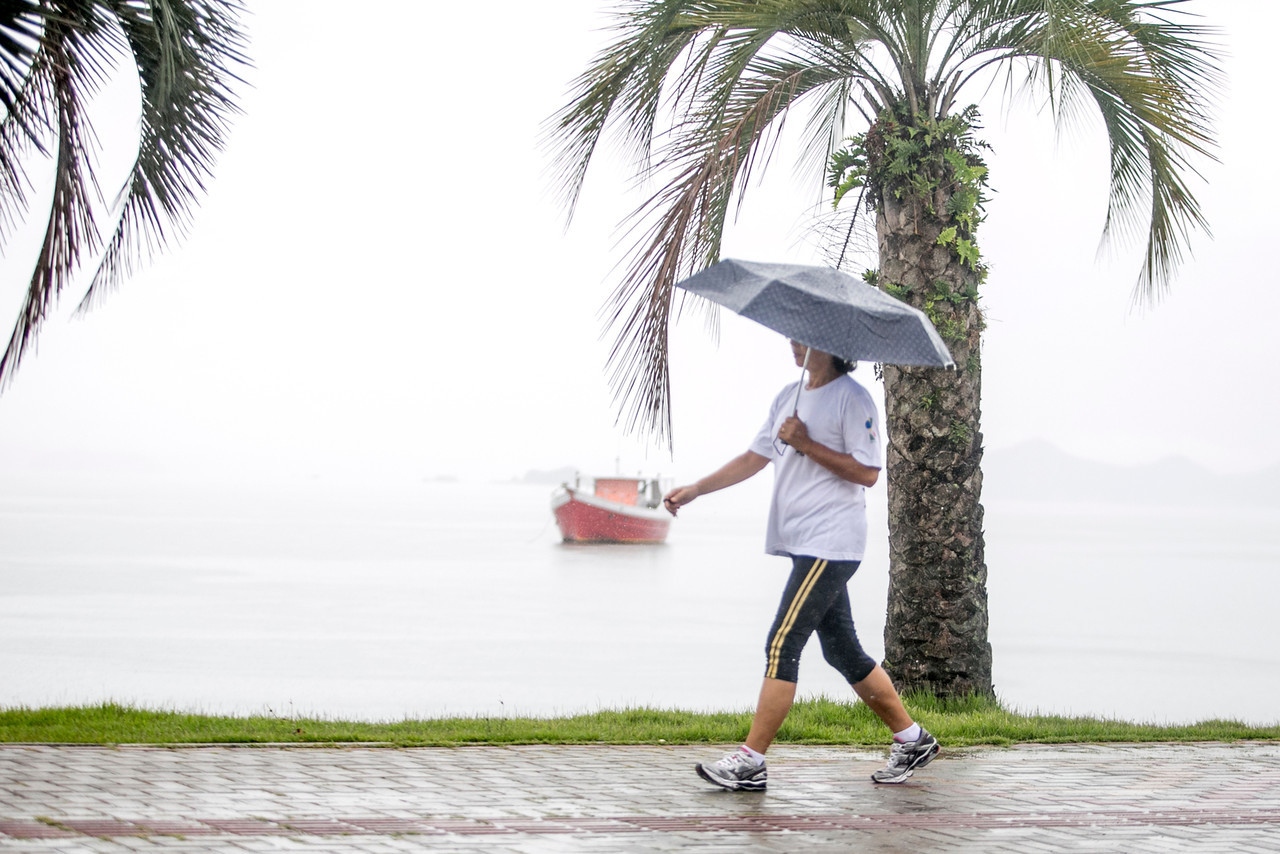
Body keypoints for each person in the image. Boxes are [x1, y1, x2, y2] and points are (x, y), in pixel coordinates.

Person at [663, 339, 939, 789]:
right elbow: (755, 458)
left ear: (830, 344)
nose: (793, 343)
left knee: (782, 643)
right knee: (841, 650)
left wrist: (806, 443)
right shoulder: (788, 396)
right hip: (803, 542)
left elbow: (868, 472)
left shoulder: (853, 399)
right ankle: (912, 739)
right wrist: (696, 489)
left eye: (803, 338)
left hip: (832, 542)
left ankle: (751, 762)